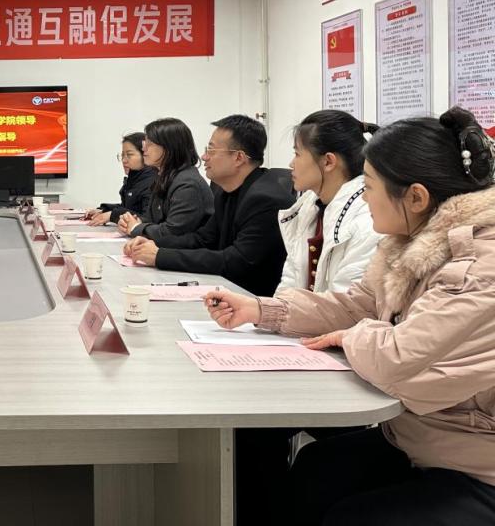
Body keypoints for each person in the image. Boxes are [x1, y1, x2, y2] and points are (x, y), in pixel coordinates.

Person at [206, 107, 495, 526]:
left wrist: (351, 336)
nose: (363, 198)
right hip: (417, 438)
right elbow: (356, 304)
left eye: (370, 187)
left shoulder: (480, 265)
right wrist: (264, 310)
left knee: (350, 516)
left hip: (476, 461)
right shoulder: (408, 241)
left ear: (415, 197)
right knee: (312, 473)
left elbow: (399, 358)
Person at [124, 114, 294, 296]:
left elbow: (236, 261)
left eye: (211, 150)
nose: (204, 157)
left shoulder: (266, 199)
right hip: (226, 290)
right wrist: (153, 243)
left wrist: (160, 256)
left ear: (238, 158)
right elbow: (203, 239)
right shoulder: (224, 190)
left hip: (250, 298)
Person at [278, 110, 381, 293]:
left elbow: (346, 302)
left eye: (297, 154)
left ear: (328, 162)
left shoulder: (368, 219)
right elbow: (290, 281)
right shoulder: (308, 206)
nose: (291, 164)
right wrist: (269, 309)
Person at [117, 118, 213, 240]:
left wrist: (136, 227)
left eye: (149, 144)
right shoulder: (164, 177)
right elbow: (154, 219)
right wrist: (135, 221)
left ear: (169, 148)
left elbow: (172, 232)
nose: (144, 149)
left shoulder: (187, 184)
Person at [84, 132, 156, 226]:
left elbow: (147, 218)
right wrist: (104, 210)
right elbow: (128, 208)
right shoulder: (134, 179)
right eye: (122, 155)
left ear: (145, 155)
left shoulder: (153, 182)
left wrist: (112, 215)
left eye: (129, 155)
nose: (124, 160)